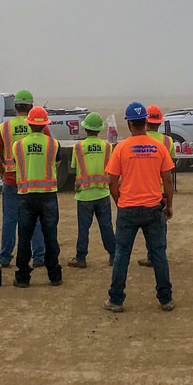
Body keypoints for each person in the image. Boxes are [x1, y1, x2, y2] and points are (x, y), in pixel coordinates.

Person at [104, 102, 175, 312]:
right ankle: (166, 299)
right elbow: (168, 180)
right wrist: (169, 205)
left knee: (122, 254)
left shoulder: (121, 148)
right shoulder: (159, 147)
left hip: (128, 208)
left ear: (129, 124)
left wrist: (119, 201)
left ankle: (116, 299)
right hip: (154, 208)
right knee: (158, 254)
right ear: (145, 122)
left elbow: (112, 182)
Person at [0, 89, 44, 268]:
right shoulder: (39, 126)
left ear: (15, 107)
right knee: (35, 219)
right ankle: (39, 257)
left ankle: (5, 257)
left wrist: (3, 171)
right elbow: (50, 148)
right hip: (32, 181)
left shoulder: (5, 128)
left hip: (11, 180)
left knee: (9, 220)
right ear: (31, 107)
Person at [12, 106, 62, 288]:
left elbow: (17, 163)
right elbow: (56, 163)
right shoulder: (53, 144)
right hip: (48, 195)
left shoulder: (18, 146)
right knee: (50, 237)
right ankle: (54, 275)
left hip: (26, 196)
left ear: (29, 124)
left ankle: (22, 277)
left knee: (24, 238)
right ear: (45, 125)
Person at [68, 112, 115, 268]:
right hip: (102, 193)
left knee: (83, 229)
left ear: (86, 129)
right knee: (106, 226)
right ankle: (114, 255)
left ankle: (81, 257)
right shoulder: (107, 147)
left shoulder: (78, 148)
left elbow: (74, 167)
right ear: (99, 129)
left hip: (84, 195)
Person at [137, 105, 177, 267]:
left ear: (146, 122)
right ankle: (158, 256)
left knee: (145, 225)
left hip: (143, 189)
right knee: (160, 227)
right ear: (160, 123)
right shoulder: (168, 141)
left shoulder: (139, 140)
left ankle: (151, 256)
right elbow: (170, 167)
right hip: (161, 190)